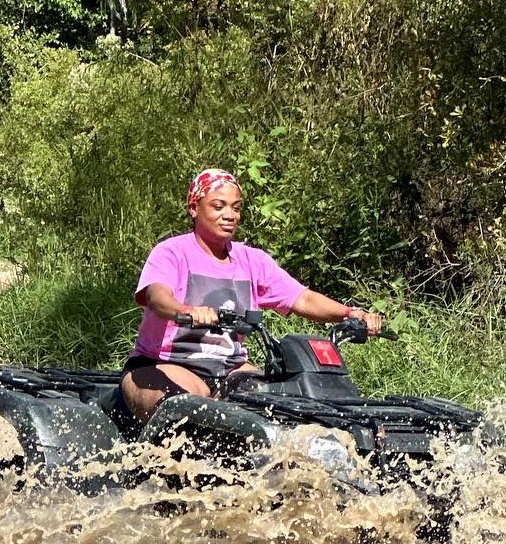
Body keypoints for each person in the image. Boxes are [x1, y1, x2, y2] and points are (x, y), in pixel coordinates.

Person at [121, 168, 385, 420]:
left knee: (281, 405)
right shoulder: (171, 252)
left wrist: (351, 314)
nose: (230, 215)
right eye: (218, 206)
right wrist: (186, 311)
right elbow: (157, 298)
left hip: (230, 368)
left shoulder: (252, 260)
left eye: (236, 208)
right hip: (164, 364)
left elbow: (302, 298)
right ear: (194, 208)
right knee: (192, 409)